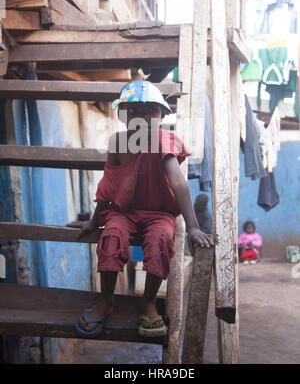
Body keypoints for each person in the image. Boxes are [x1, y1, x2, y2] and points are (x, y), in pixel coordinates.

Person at [67, 80, 214, 339]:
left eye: (150, 111)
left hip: (159, 213)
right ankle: (106, 300)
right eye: (133, 110)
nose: (143, 117)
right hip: (123, 212)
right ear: (123, 115)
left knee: (160, 241)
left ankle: (148, 302)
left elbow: (178, 182)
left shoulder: (165, 141)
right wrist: (93, 222)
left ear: (161, 115)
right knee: (111, 237)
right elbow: (108, 186)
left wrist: (192, 227)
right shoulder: (118, 143)